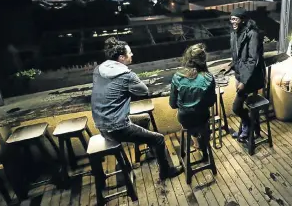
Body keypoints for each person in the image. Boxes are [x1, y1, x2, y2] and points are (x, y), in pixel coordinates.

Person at [91, 37, 182, 181]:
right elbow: (143, 91)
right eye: (129, 53)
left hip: (101, 125)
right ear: (121, 58)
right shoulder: (127, 76)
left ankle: (152, 152)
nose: (132, 54)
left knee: (145, 119)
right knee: (159, 139)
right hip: (117, 128)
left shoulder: (98, 70)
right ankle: (166, 172)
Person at [221, 7, 266, 142]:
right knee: (243, 104)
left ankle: (248, 125)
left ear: (243, 20)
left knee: (236, 107)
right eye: (231, 19)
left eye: (235, 19)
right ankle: (251, 126)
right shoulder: (235, 33)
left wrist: (243, 81)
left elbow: (252, 60)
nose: (233, 22)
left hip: (252, 77)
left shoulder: (252, 34)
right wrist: (231, 67)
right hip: (242, 74)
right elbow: (237, 56)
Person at [169, 43, 216, 161]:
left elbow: (172, 104)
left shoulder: (177, 77)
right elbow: (211, 103)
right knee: (203, 122)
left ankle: (196, 140)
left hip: (184, 118)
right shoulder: (208, 78)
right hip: (201, 117)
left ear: (187, 59)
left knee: (188, 120)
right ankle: (203, 145)